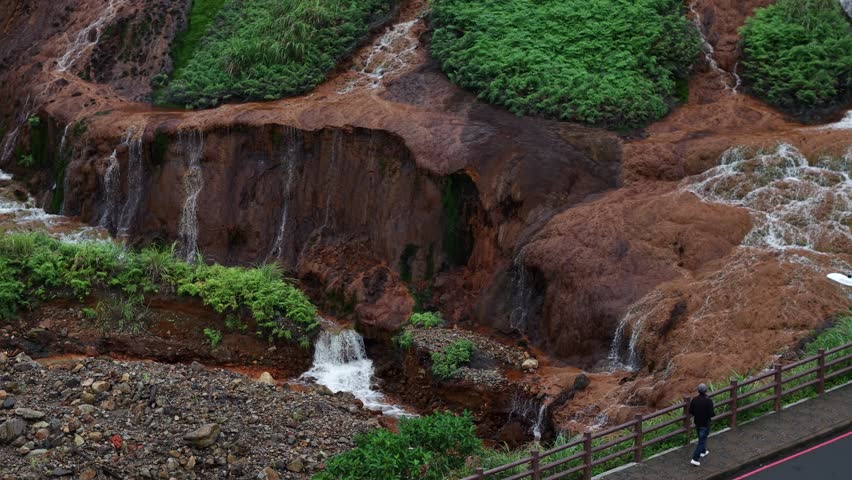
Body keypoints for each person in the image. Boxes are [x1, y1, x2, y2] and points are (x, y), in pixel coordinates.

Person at [688, 383, 715, 466]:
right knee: (701, 441)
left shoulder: (694, 399)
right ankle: (695, 458)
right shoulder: (708, 400)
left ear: (698, 391)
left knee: (701, 437)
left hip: (697, 422)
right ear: (706, 390)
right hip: (705, 423)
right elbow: (711, 414)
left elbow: (690, 411)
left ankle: (703, 452)